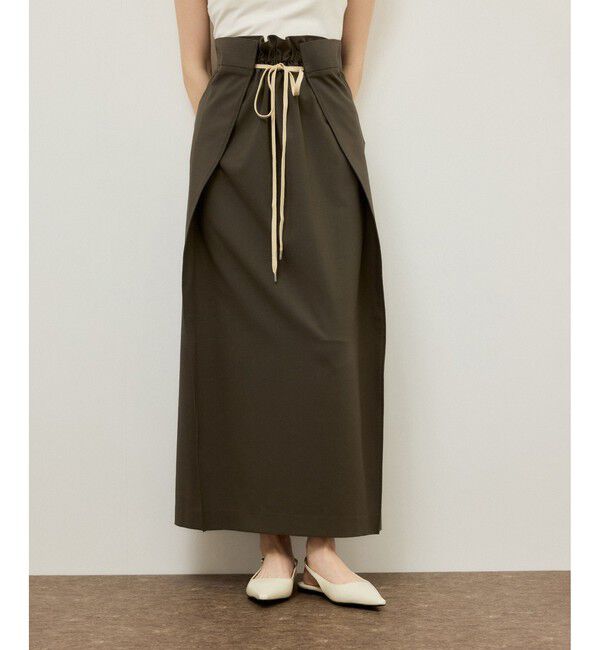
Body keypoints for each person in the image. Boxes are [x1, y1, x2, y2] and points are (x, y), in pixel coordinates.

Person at [174, 0, 386, 606]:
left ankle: (323, 548)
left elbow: (352, 57)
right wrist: (226, 126)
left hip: (321, 111)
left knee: (332, 328)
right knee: (248, 332)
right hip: (233, 116)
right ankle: (273, 546)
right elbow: (193, 62)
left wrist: (318, 110)